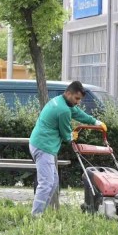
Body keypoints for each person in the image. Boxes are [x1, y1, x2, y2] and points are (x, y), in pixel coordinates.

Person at [29, 80, 106, 216]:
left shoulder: (61, 101)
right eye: (77, 98)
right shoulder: (63, 110)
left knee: (53, 182)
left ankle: (40, 213)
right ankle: (35, 216)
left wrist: (95, 122)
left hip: (41, 144)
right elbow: (66, 135)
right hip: (43, 147)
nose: (78, 102)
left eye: (80, 99)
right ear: (68, 93)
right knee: (46, 183)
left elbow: (77, 113)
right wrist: (72, 136)